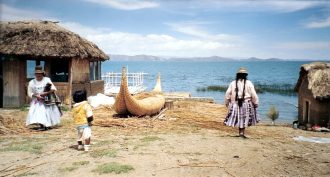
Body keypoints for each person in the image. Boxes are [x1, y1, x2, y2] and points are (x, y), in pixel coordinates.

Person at [224, 67, 259, 138]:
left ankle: (241, 133)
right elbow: (253, 94)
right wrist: (256, 102)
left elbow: (227, 93)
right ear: (245, 75)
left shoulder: (233, 83)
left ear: (237, 75)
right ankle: (241, 133)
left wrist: (227, 102)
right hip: (247, 103)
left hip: (235, 103)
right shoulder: (249, 83)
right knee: (244, 118)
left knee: (239, 118)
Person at [26, 66, 61, 130]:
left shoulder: (47, 79)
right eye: (37, 74)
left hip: (47, 99)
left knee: (47, 111)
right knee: (39, 112)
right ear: (35, 74)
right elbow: (29, 93)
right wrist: (36, 95)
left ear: (42, 74)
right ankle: (42, 125)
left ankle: (47, 125)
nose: (38, 75)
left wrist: (45, 93)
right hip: (37, 100)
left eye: (40, 74)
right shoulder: (32, 82)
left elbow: (53, 89)